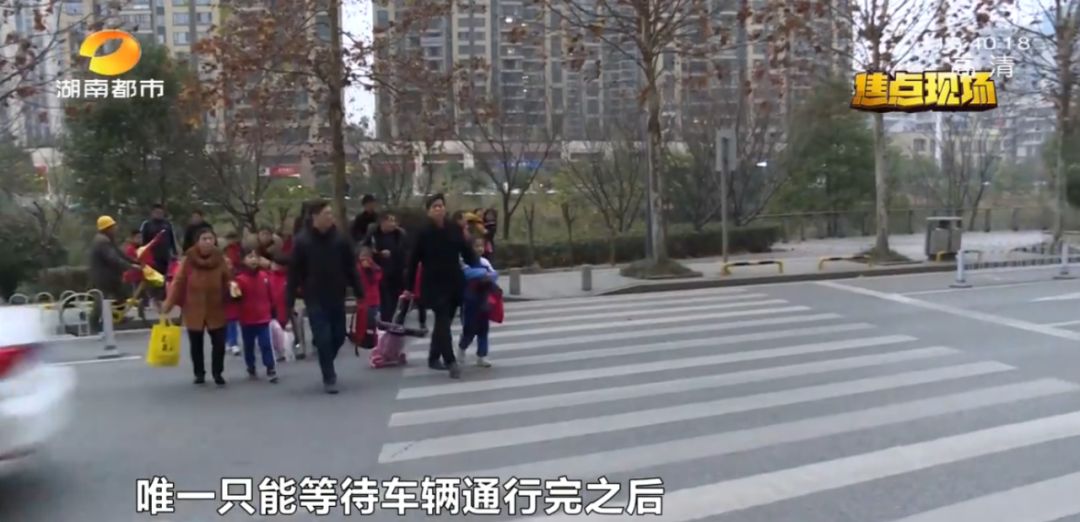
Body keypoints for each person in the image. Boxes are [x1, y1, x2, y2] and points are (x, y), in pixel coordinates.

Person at [286, 200, 365, 394]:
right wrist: (290, 298)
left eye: (331, 214)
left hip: (337, 294)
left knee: (338, 336)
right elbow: (294, 272)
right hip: (314, 296)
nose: (330, 217)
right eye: (326, 214)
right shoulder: (302, 241)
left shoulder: (340, 240)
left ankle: (326, 355)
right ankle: (329, 376)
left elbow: (350, 267)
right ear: (315, 217)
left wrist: (359, 291)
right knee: (323, 337)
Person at [404, 193, 481, 379]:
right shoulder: (422, 232)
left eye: (441, 206)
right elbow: (413, 260)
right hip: (434, 283)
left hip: (454, 281)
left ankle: (433, 356)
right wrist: (409, 286)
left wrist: (478, 264)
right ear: (429, 211)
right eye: (435, 206)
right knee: (442, 321)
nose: (439, 209)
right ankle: (450, 361)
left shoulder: (454, 228)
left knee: (444, 322)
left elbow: (465, 251)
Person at [162, 228, 233, 386]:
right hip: (194, 307)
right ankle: (199, 373)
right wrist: (169, 303)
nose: (208, 242)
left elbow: (228, 278)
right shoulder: (188, 260)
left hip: (216, 307)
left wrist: (233, 288)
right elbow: (179, 282)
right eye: (204, 239)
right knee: (196, 344)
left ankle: (218, 372)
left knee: (219, 343)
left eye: (210, 238)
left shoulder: (220, 259)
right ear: (197, 242)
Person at [234, 247, 279, 383]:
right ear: (243, 260)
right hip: (247, 319)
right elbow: (235, 298)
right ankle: (251, 365)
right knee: (249, 345)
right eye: (250, 257)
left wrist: (273, 310)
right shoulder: (239, 279)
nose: (253, 260)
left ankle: (270, 367)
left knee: (266, 344)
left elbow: (271, 294)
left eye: (256, 257)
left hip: (263, 317)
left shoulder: (264, 276)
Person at [88, 216, 140, 334]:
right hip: (103, 276)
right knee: (101, 300)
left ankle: (118, 316)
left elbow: (120, 254)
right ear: (107, 228)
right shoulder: (102, 242)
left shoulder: (108, 239)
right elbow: (113, 258)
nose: (115, 228)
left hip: (110, 276)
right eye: (113, 226)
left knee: (122, 294)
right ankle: (93, 325)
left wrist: (135, 262)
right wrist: (130, 266)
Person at [459, 236, 498, 368]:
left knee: (483, 329)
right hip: (469, 300)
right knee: (469, 329)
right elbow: (467, 274)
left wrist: (488, 276)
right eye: (476, 246)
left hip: (483, 300)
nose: (480, 249)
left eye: (481, 246)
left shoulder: (485, 261)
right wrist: (483, 274)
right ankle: (462, 348)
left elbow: (494, 274)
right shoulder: (464, 262)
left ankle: (482, 355)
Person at [365, 213, 407, 323]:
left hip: (396, 272)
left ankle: (395, 320)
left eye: (394, 221)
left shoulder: (399, 234)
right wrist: (379, 254)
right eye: (390, 221)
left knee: (396, 298)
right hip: (380, 272)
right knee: (384, 300)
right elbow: (366, 250)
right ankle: (385, 321)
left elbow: (404, 251)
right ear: (383, 223)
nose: (393, 224)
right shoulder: (373, 234)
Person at [140, 204, 179, 305]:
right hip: (152, 256)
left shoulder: (167, 224)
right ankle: (151, 298)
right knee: (152, 278)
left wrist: (174, 252)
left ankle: (161, 298)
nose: (159, 214)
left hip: (165, 255)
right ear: (152, 213)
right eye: (157, 212)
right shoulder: (147, 225)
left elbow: (172, 239)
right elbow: (143, 240)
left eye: (161, 212)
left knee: (163, 277)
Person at [352, 246, 382, 348]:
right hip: (363, 299)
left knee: (372, 322)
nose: (364, 259)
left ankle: (371, 339)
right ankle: (362, 338)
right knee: (363, 322)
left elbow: (376, 279)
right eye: (362, 256)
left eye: (366, 256)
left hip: (373, 299)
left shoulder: (375, 268)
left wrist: (369, 269)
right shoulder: (357, 268)